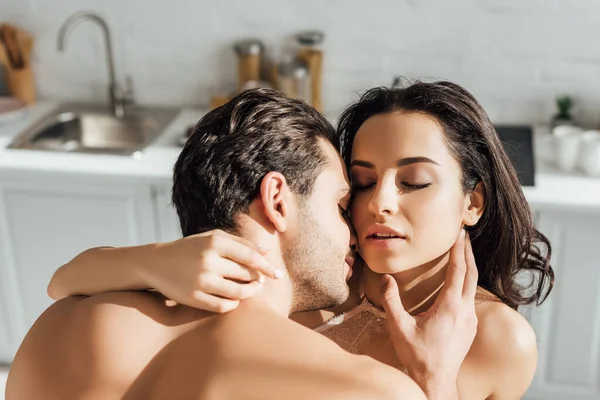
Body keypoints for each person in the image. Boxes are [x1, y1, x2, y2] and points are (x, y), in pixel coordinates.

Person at [46, 80, 555, 399]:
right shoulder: (316, 279)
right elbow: (67, 280)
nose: (379, 203)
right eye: (357, 183)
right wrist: (155, 259)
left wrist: (436, 381)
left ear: (474, 202)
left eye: (414, 182)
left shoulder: (498, 340)